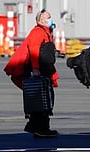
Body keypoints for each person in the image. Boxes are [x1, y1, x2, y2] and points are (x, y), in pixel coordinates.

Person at [21, 9, 59, 138]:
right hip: (38, 70)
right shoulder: (38, 32)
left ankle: (34, 125)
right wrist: (36, 68)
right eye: (48, 17)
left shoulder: (46, 32)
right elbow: (34, 51)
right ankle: (41, 128)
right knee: (41, 99)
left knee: (41, 98)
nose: (51, 20)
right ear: (40, 20)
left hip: (43, 69)